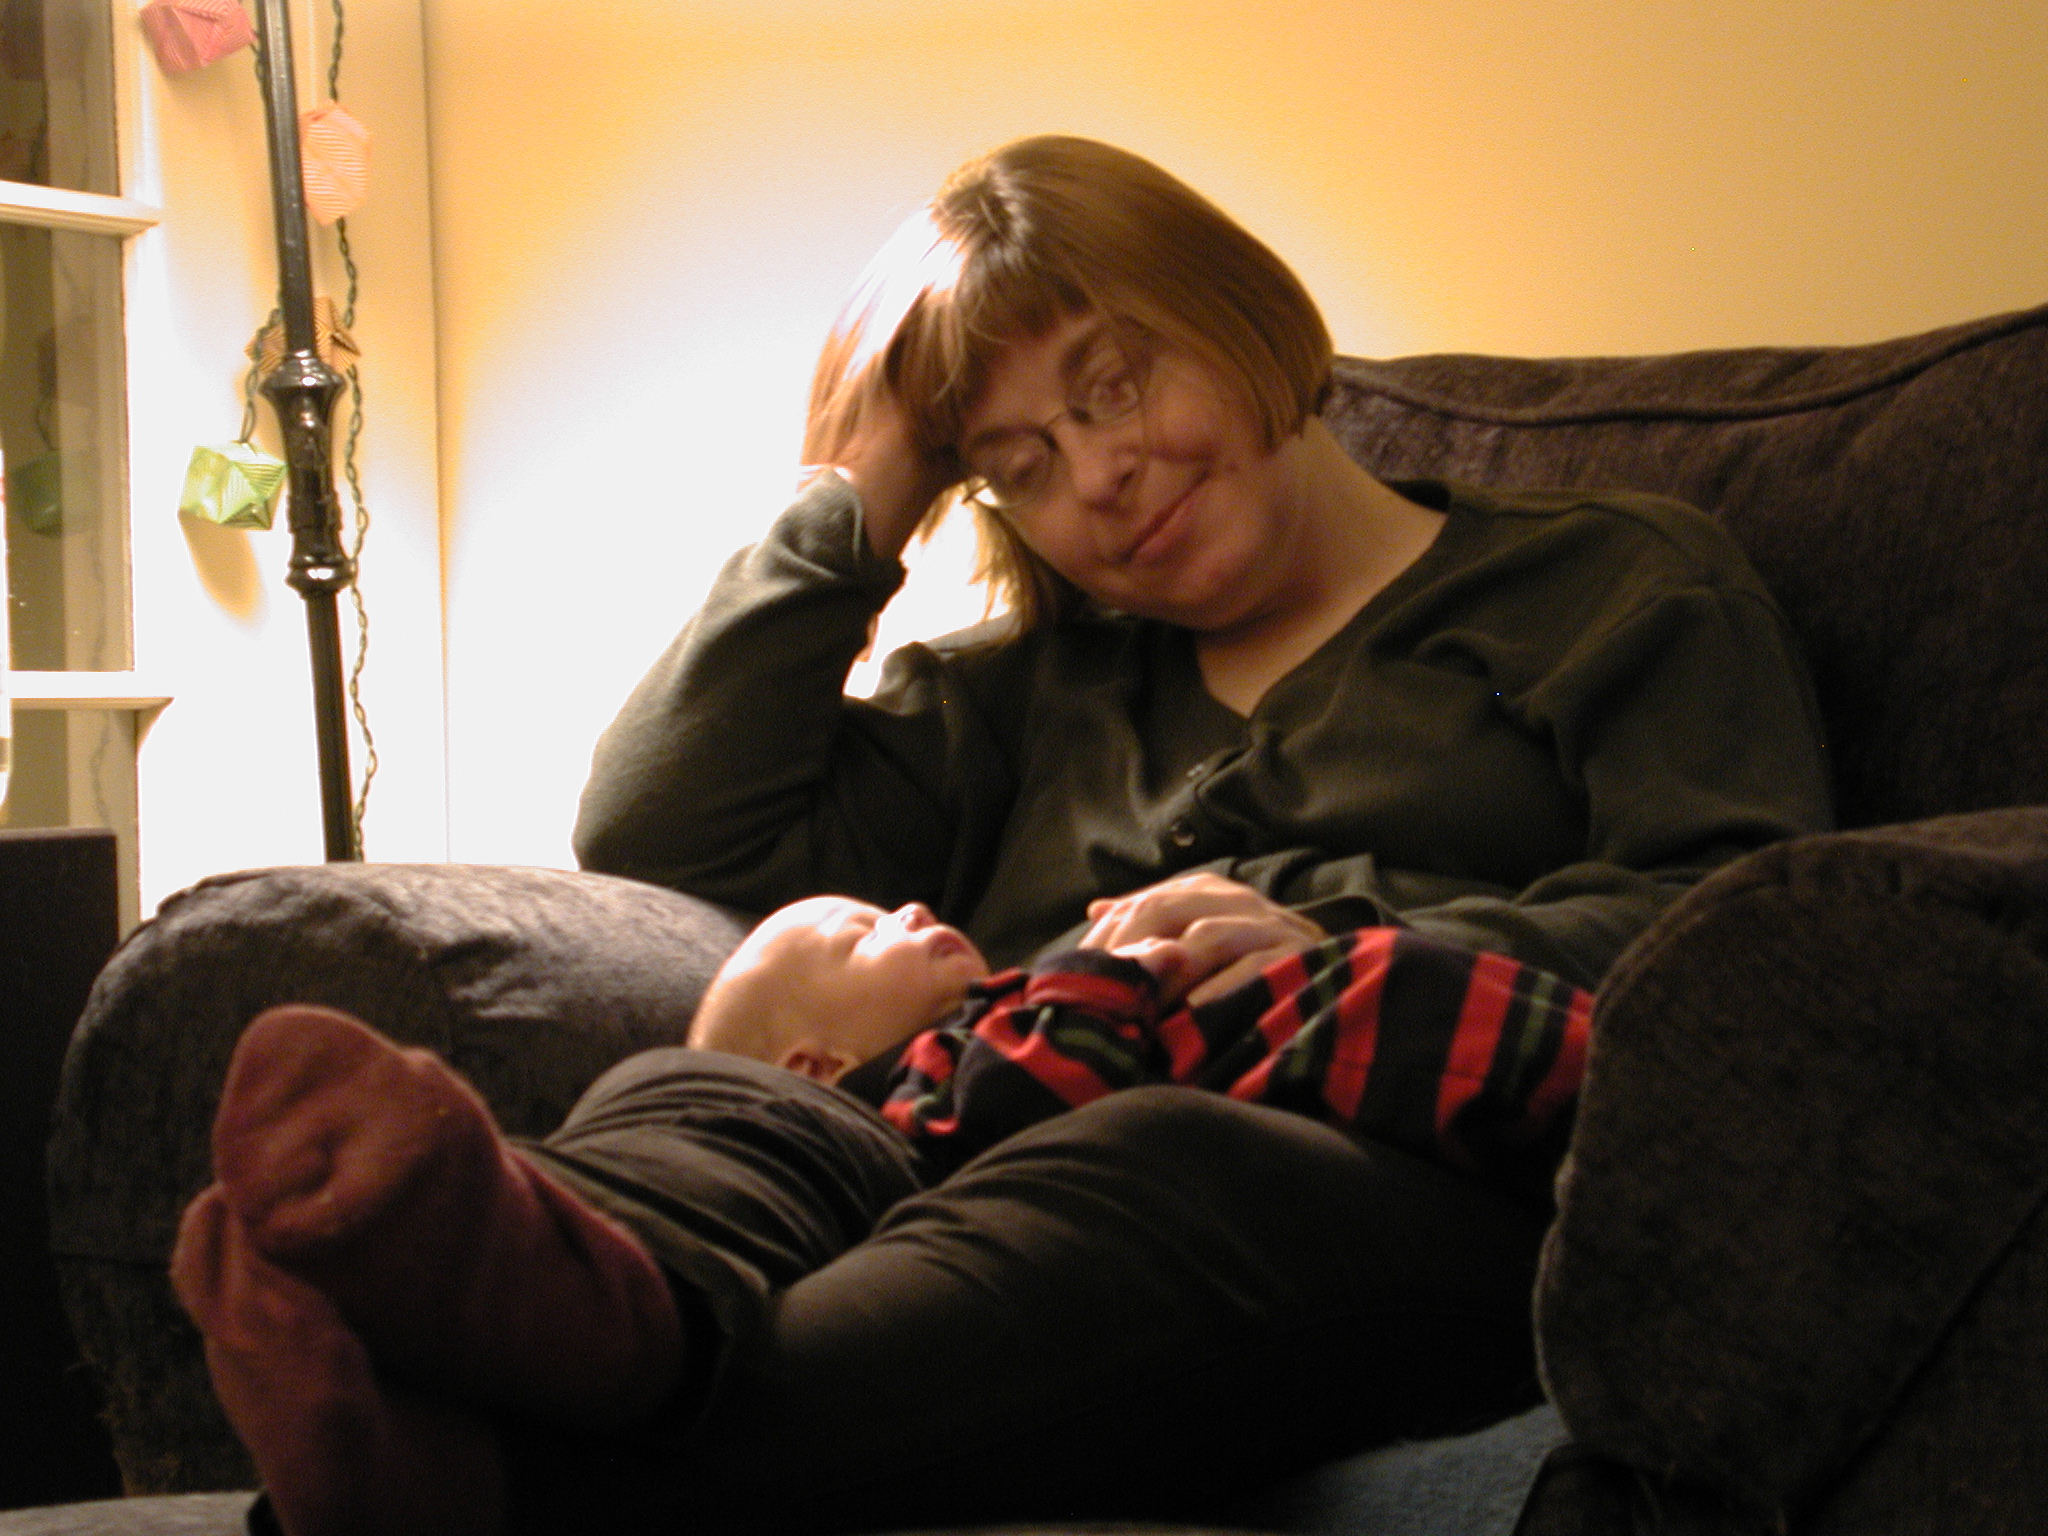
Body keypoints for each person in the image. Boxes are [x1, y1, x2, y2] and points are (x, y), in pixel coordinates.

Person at [174, 134, 1833, 1536]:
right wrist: (856, 491)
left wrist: (1346, 940)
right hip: (958, 1169)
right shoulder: (1033, 690)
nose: (1099, 476)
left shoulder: (1608, 584)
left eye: (1116, 384)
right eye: (1018, 464)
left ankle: (499, 1477)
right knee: (712, 1100)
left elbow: (1753, 927)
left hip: (1420, 1188)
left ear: (1240, 309)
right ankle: (482, 1332)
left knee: (1149, 1156)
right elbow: (666, 823)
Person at [690, 894, 1589, 1195]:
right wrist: (1095, 973)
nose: (912, 908)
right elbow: (1027, 1112)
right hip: (1368, 1054)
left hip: (1390, 1024)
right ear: (820, 1068)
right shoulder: (918, 1098)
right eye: (863, 934)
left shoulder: (985, 1024)